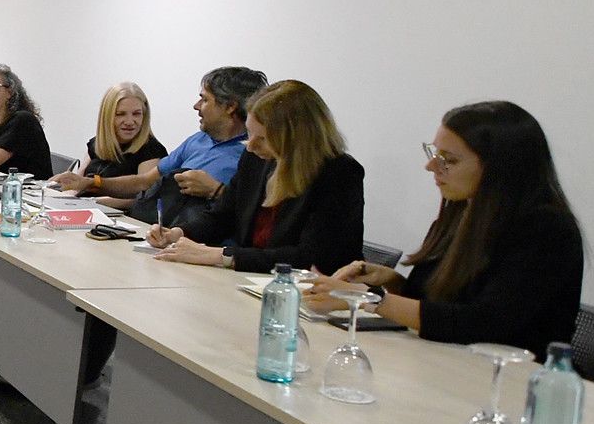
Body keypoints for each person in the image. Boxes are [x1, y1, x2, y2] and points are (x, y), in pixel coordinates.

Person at [310, 101, 583, 353]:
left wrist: (371, 299)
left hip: (514, 377)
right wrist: (390, 281)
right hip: (447, 360)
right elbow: (432, 303)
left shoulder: (547, 230)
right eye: (434, 153)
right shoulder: (460, 213)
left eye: (449, 160)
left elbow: (484, 323)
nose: (431, 166)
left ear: (501, 168)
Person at [148, 79, 363, 274]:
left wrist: (222, 256)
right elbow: (223, 215)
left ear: (297, 140)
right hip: (252, 279)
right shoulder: (256, 159)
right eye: (250, 133)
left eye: (263, 138)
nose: (250, 146)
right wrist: (178, 233)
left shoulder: (339, 173)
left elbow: (313, 257)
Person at [100, 67, 267, 233]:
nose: (196, 106)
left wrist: (215, 190)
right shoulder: (197, 140)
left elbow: (256, 217)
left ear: (230, 106)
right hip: (168, 234)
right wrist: (95, 183)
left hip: (211, 243)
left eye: (204, 100)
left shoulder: (256, 154)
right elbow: (145, 182)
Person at [54, 83, 167, 206]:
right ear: (107, 116)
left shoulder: (152, 150)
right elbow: (76, 186)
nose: (129, 121)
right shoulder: (95, 144)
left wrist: (88, 202)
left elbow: (140, 199)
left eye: (136, 114)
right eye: (120, 114)